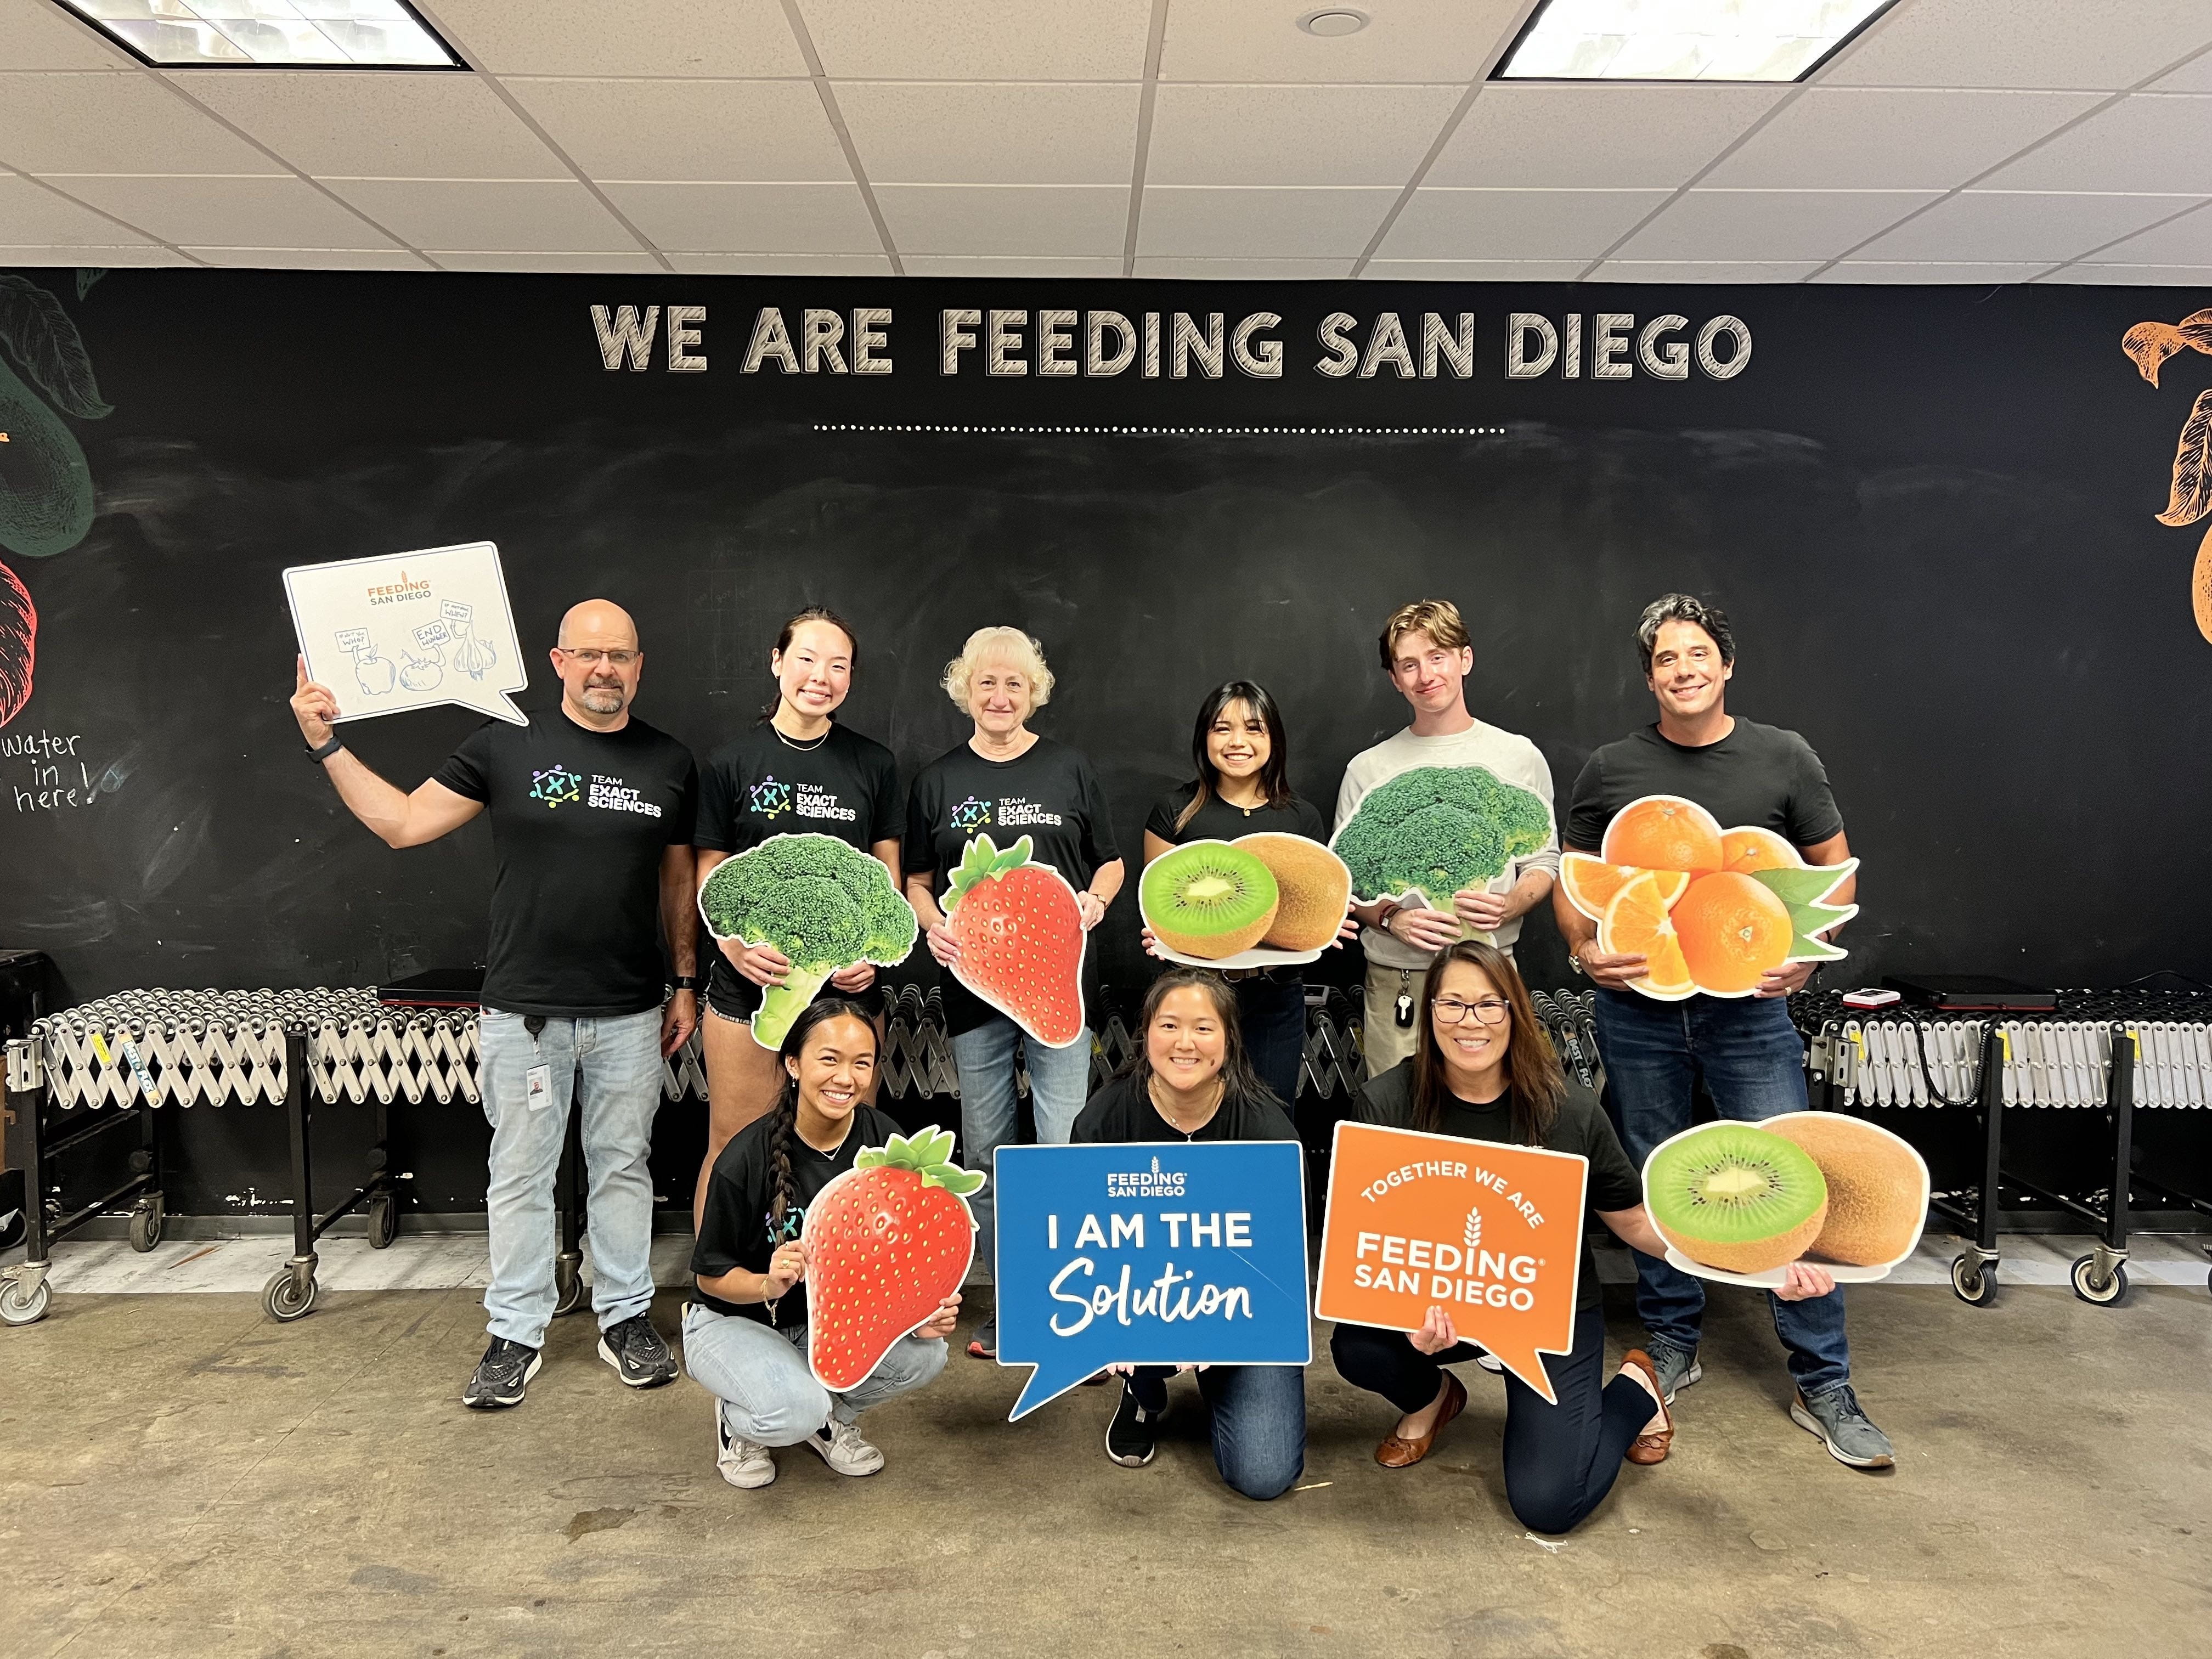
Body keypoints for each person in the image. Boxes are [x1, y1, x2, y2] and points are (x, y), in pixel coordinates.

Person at [289, 600, 698, 1409]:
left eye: (619, 655)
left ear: (640, 665)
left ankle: (624, 1321)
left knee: (623, 1169)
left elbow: (679, 881)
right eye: (588, 655)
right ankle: (516, 1330)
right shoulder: (503, 748)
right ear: (557, 662)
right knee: (519, 1176)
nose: (604, 669)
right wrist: (326, 743)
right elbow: (402, 823)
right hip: (525, 1017)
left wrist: (685, 981)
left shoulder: (671, 762)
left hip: (629, 1013)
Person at [1330, 941, 1840, 1533]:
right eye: (1453, 1004)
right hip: (1440, 1307)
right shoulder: (1386, 1102)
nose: (1471, 1023)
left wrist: (1766, 1272)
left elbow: (1636, 1225)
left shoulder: (1566, 1110)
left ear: (1515, 1013)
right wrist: (1408, 1315)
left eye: (1490, 1005)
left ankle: (1634, 1393)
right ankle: (1434, 1399)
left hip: (1549, 1313)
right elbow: (1367, 1238)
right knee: (1358, 1345)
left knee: (1549, 1506)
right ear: (1430, 1010)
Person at [1551, 592, 1887, 1469]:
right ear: (1650, 676)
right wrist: (1586, 950)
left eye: (1698, 654)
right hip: (1637, 1015)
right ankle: (1671, 1342)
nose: (1684, 670)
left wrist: (1812, 957)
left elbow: (1834, 870)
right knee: (1659, 1172)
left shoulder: (1783, 757)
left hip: (1751, 1018)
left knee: (1790, 1174)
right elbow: (1572, 877)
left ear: (1726, 665)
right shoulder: (1612, 768)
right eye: (1666, 659)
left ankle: (1824, 1380)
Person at [905, 625, 1125, 1361]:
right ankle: (1007, 1305)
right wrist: (930, 920)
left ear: (1035, 692)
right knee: (989, 1151)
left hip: (1063, 994)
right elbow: (915, 879)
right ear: (965, 690)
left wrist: (1094, 902)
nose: (1000, 697)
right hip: (973, 994)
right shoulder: (936, 779)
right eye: (986, 683)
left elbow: (1112, 864)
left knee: (1062, 1149)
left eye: (1015, 684)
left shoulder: (1070, 769)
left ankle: (1069, 1304)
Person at [684, 999, 957, 1489]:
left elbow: (894, 1259)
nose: (845, 1078)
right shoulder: (745, 1157)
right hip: (735, 1319)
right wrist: (768, 1282)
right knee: (792, 1410)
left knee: (927, 1354)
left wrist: (923, 1310)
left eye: (861, 1063)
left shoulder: (884, 1145)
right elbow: (710, 1277)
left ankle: (828, 1420)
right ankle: (741, 1420)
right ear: (793, 1064)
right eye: (828, 1059)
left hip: (825, 1321)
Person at [691, 607, 901, 1230]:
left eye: (839, 666)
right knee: (735, 1141)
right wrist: (731, 948)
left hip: (849, 993)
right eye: (807, 658)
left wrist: (872, 953)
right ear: (777, 662)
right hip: (748, 989)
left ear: (851, 680)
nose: (821, 676)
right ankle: (716, 1291)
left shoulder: (874, 765)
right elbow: (710, 869)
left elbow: (885, 874)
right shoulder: (732, 763)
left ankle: (849, 1287)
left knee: (851, 1140)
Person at [1073, 968, 1306, 1501]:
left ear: (1228, 1041)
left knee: (1265, 1474)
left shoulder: (1266, 1129)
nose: (1185, 1043)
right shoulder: (1104, 1120)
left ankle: (1216, 1374)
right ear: (1146, 1033)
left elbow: (1282, 1264)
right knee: (1140, 1305)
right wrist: (1105, 1326)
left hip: (1238, 1311)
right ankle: (1143, 1385)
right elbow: (1082, 1240)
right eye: (1169, 1025)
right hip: (1140, 1299)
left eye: (1204, 1028)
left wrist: (1215, 1324)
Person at [1335, 599, 1559, 1079]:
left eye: (1437, 656)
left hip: (1491, 980)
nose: (1425, 675)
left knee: (1495, 1124)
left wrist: (1512, 903)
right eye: (1408, 664)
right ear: (1395, 678)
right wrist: (1392, 918)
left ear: (1465, 660)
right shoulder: (1368, 769)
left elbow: (1546, 863)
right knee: (1397, 1125)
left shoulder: (1518, 757)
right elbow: (1346, 887)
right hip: (1399, 981)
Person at [1142, 680, 1343, 1110]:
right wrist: (1159, 937)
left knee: (1270, 1119)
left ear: (1274, 739)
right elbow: (1158, 903)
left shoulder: (1301, 818)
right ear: (1204, 737)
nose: (1238, 742)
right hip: (1193, 998)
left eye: (1255, 729)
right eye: (1222, 729)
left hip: (1275, 996)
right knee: (1189, 1118)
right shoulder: (1173, 811)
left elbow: (1314, 902)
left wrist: (1325, 925)